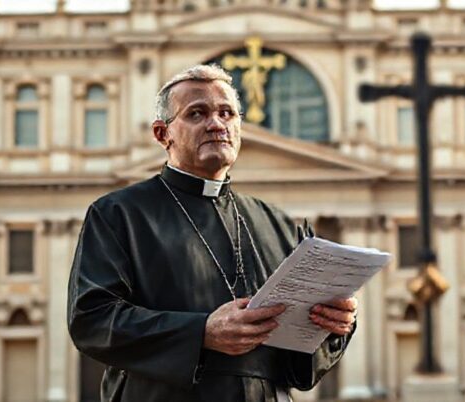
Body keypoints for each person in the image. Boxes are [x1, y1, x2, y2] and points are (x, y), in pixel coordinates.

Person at [67, 64, 357, 402]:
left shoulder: (282, 226)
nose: (216, 124)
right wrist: (200, 333)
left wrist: (335, 324)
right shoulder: (119, 214)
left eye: (226, 113)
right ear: (163, 134)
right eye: (197, 113)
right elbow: (92, 320)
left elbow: (298, 367)